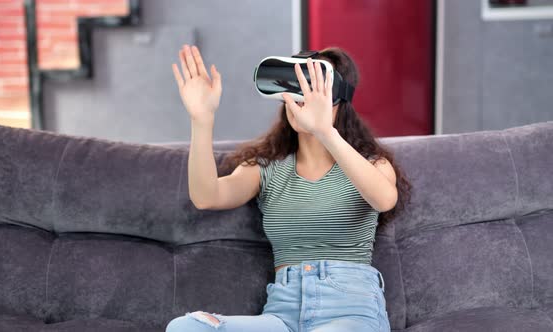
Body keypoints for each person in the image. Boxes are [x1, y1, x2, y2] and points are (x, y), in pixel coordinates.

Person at [166, 44, 412, 332]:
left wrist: (324, 131)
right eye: (295, 90)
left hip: (351, 312)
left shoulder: (371, 165)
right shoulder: (266, 168)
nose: (302, 100)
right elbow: (206, 196)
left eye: (314, 91)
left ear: (338, 100)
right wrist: (201, 119)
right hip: (282, 316)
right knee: (186, 327)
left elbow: (384, 200)